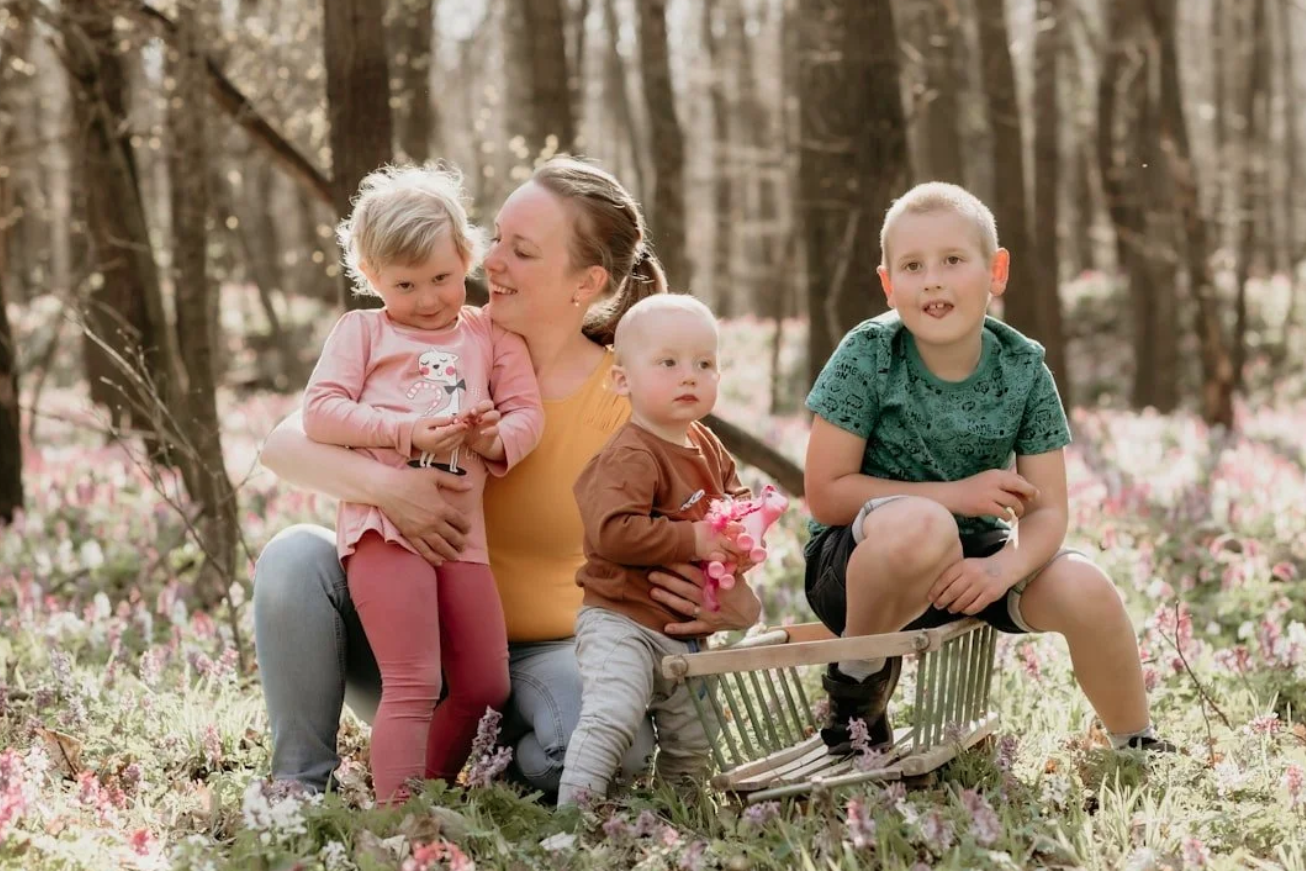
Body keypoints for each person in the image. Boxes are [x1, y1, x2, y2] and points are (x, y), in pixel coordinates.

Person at [253, 157, 763, 800]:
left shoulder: (627, 398)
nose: (491, 261)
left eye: (520, 251)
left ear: (586, 282)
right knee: (294, 557)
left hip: (553, 656)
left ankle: (489, 766)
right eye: (495, 237)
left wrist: (738, 602)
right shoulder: (438, 334)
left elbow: (709, 539)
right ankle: (299, 788)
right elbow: (283, 442)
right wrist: (391, 490)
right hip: (404, 640)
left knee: (596, 751)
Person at [803, 181, 1172, 755]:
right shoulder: (869, 355)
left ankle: (1135, 742)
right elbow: (826, 495)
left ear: (996, 271)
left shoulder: (1024, 370)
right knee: (925, 523)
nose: (932, 279)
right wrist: (954, 494)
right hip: (860, 572)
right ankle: (854, 691)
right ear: (888, 283)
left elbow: (1047, 509)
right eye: (912, 265)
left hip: (970, 569)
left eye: (953, 260)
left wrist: (1005, 568)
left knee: (1086, 585)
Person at [298, 163, 544, 803]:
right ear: (372, 278)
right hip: (384, 528)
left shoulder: (490, 333)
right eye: (406, 285)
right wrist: (407, 431)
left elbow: (526, 413)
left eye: (442, 277)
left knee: (485, 684)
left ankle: (427, 791)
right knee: (411, 678)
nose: (430, 299)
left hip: (462, 533)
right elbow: (321, 412)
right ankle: (399, 820)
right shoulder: (363, 331)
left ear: (466, 254)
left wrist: (492, 437)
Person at [557, 295, 751, 806]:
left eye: (704, 364)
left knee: (696, 736)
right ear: (623, 381)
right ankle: (572, 818)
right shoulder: (629, 454)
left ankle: (677, 814)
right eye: (668, 363)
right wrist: (695, 539)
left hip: (685, 630)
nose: (689, 376)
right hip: (622, 620)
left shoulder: (706, 445)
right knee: (613, 717)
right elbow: (612, 532)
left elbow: (737, 499)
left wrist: (744, 537)